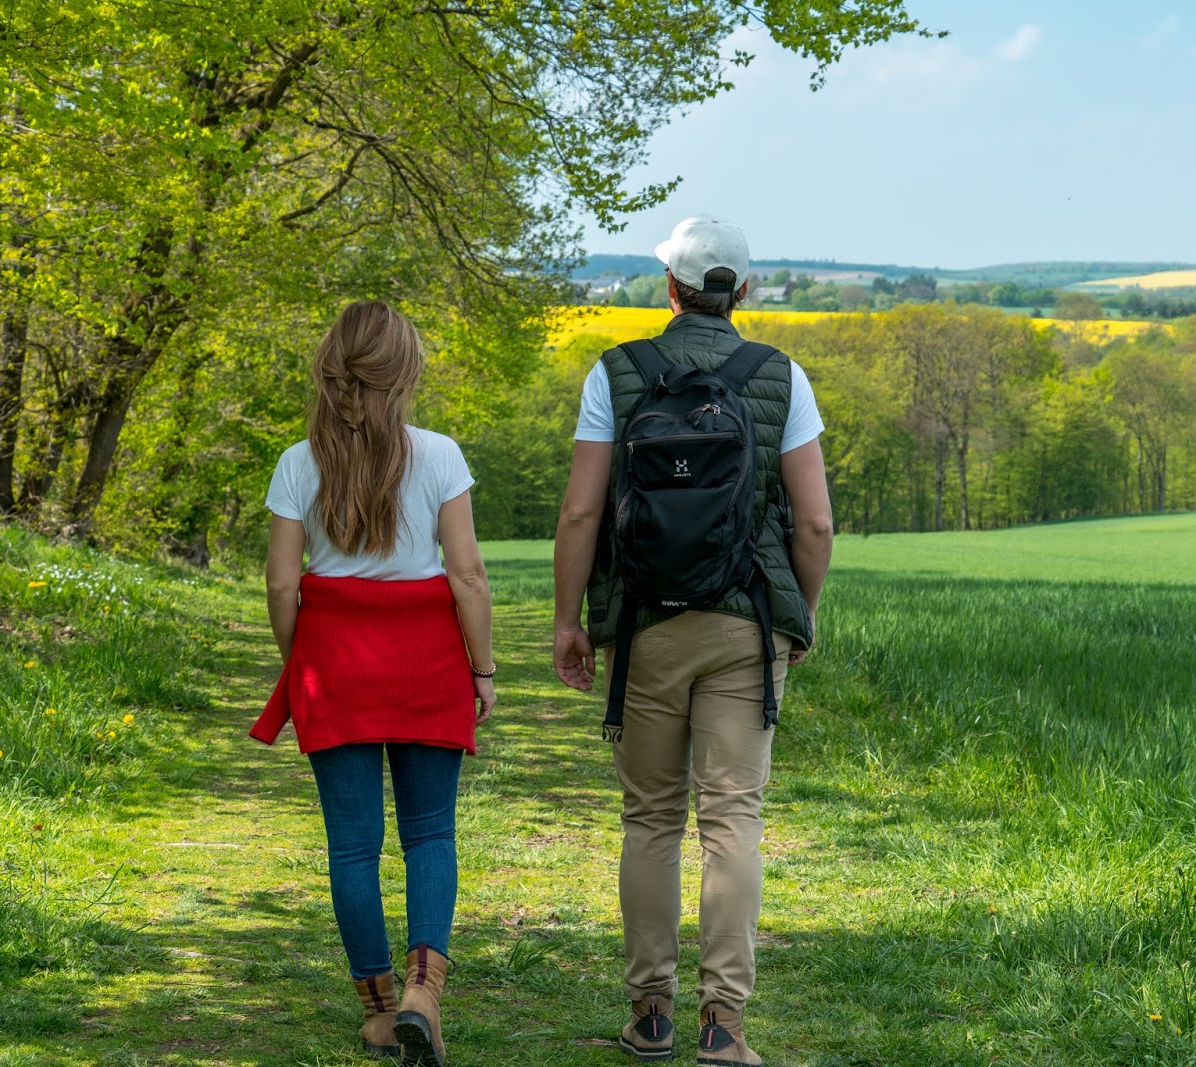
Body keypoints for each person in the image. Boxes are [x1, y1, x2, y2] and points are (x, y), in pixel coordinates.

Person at [552, 216, 834, 1066]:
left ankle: (650, 1013)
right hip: (745, 624)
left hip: (645, 626)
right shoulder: (781, 378)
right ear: (740, 292)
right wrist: (798, 619)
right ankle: (725, 1024)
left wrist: (571, 621)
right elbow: (815, 523)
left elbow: (579, 511)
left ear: (667, 288)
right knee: (732, 820)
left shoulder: (618, 372)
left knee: (650, 817)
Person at [250, 300, 496, 1067]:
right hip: (427, 657)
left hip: (336, 661)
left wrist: (304, 662)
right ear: (405, 372)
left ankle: (383, 1011)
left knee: (352, 847)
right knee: (430, 832)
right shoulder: (441, 455)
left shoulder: (299, 463)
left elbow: (283, 585)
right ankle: (427, 989)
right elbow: (467, 574)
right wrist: (482, 667)